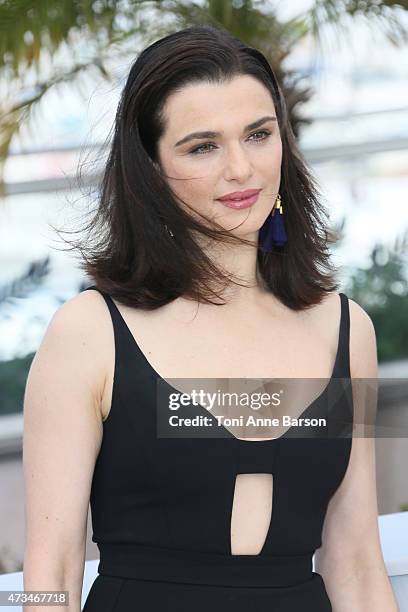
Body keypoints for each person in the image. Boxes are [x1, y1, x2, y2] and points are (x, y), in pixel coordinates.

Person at [22, 24, 398, 612]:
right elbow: (54, 567)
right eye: (203, 146)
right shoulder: (88, 333)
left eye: (258, 134)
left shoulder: (348, 330)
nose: (242, 169)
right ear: (149, 170)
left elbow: (355, 559)